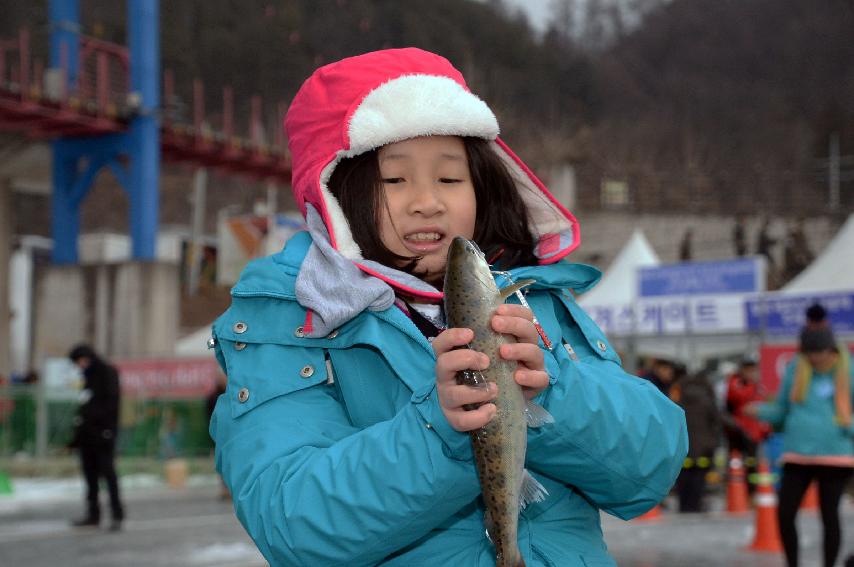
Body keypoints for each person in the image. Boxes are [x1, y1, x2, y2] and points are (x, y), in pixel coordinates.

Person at [209, 48, 688, 566]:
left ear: (483, 185)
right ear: (336, 197)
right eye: (394, 180)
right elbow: (292, 524)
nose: (427, 202)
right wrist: (442, 430)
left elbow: (650, 469)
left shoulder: (532, 296)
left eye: (450, 178)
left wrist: (555, 389)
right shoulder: (287, 319)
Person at [752, 321, 853, 567]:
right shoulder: (796, 369)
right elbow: (782, 410)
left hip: (836, 455)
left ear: (833, 350)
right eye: (811, 353)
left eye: (821, 352)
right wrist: (760, 412)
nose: (816, 358)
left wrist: (847, 426)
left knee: (829, 515)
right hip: (798, 453)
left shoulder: (848, 371)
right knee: (785, 513)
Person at [67, 344, 125, 531]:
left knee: (108, 475)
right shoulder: (88, 377)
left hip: (102, 435)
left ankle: (117, 514)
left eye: (80, 362)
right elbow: (84, 408)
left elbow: (110, 405)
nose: (79, 366)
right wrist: (76, 439)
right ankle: (93, 514)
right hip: (88, 437)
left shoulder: (106, 373)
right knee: (90, 476)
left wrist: (107, 430)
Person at [671, 365, 721, 513]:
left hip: (683, 446)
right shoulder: (707, 398)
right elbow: (716, 421)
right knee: (698, 476)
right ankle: (695, 504)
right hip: (703, 447)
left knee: (683, 476)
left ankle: (684, 505)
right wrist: (714, 441)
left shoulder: (678, 396)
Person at [724, 355, 770, 493]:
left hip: (756, 433)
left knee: (754, 464)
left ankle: (753, 492)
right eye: (748, 369)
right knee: (737, 463)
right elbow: (738, 397)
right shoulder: (735, 383)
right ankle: (737, 492)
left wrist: (766, 428)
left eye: (753, 369)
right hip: (739, 431)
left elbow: (764, 406)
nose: (752, 373)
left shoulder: (759, 386)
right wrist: (752, 385)